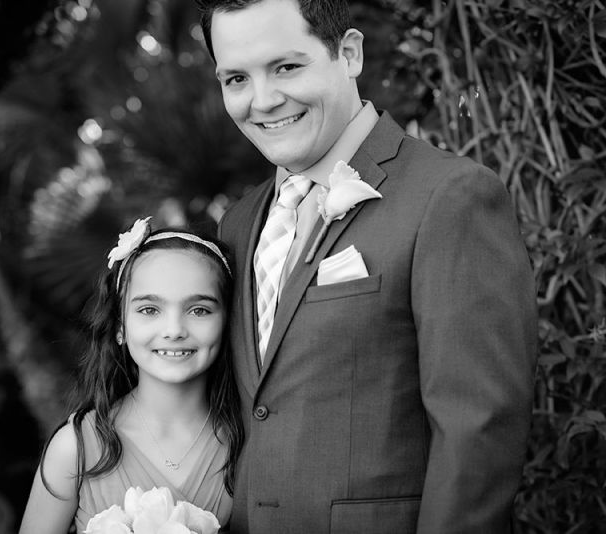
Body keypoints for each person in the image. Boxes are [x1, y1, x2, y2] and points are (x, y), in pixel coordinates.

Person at [195, 0, 538, 532]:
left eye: (286, 67)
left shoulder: (449, 196)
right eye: (236, 78)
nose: (262, 101)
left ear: (349, 53)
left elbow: (478, 431)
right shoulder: (237, 224)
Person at [19, 218, 243, 533]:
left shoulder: (248, 445)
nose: (174, 331)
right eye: (150, 310)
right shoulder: (75, 449)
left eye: (199, 310)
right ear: (121, 327)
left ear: (226, 322)